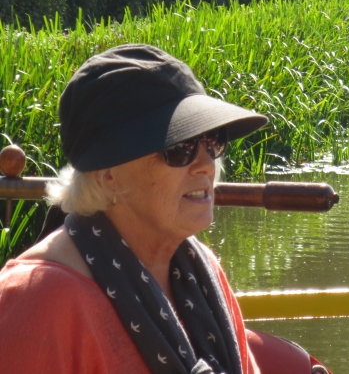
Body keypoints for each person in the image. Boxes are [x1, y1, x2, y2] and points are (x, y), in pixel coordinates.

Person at [0, 44, 268, 373]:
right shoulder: (36, 301)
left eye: (211, 140)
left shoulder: (202, 271)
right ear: (108, 176)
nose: (204, 164)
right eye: (179, 147)